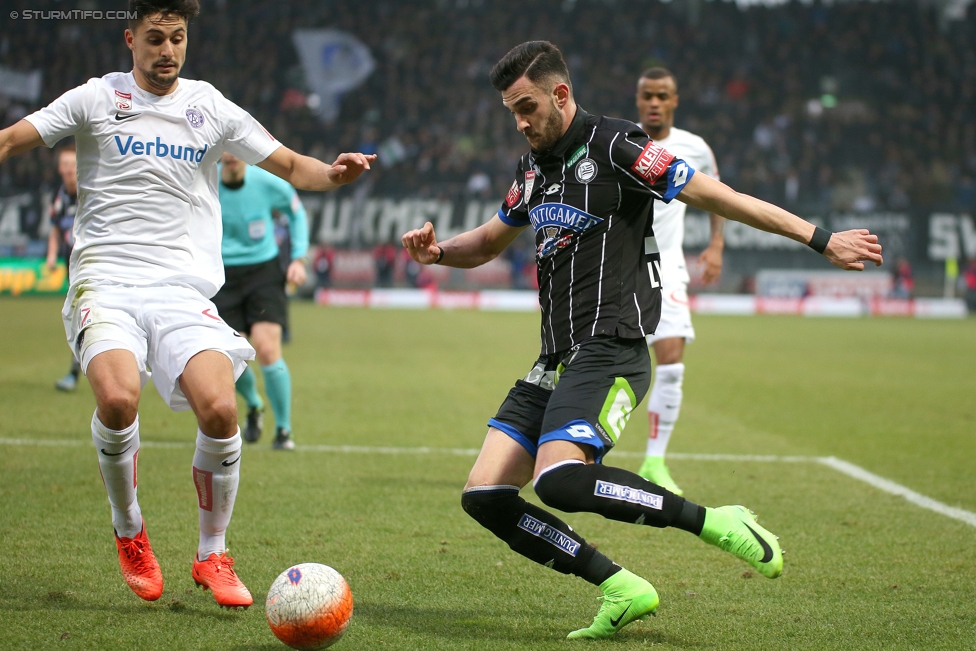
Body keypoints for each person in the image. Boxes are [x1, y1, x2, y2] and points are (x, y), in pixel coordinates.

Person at [401, 41, 882, 640]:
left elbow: (720, 196)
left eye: (527, 107)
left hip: (612, 348)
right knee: (485, 494)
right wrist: (438, 252)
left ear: (560, 94)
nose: (520, 122)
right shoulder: (530, 171)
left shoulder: (618, 145)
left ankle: (717, 521)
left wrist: (820, 238)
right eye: (510, 112)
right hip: (554, 359)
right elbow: (490, 241)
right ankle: (621, 587)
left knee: (558, 481)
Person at [0, 0, 374, 609]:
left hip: (180, 289)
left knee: (222, 410)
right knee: (118, 398)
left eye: (177, 38)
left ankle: (212, 554)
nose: (167, 50)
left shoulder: (208, 106)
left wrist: (335, 173)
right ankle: (130, 531)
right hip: (108, 279)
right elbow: (14, 138)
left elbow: (290, 165)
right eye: (155, 38)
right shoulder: (96, 97)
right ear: (130, 39)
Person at [633, 67, 724, 495]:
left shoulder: (695, 148)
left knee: (671, 363)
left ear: (675, 100)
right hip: (617, 263)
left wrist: (716, 244)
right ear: (638, 100)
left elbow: (717, 194)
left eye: (662, 95)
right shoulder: (620, 141)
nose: (654, 102)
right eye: (648, 95)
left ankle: (654, 460)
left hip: (666, 264)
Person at [213, 153, 308, 450]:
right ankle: (254, 403)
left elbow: (297, 213)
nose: (231, 156)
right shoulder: (203, 180)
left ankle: (283, 430)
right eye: (225, 149)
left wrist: (298, 258)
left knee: (267, 349)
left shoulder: (267, 182)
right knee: (230, 357)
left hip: (263, 272)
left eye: (236, 149)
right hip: (220, 274)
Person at [45, 143, 82, 392]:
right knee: (78, 318)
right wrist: (50, 256)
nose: (69, 170)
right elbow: (56, 229)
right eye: (65, 165)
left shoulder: (92, 192)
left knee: (82, 317)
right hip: (72, 267)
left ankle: (74, 372)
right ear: (60, 168)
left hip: (96, 264)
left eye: (73, 165)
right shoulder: (59, 197)